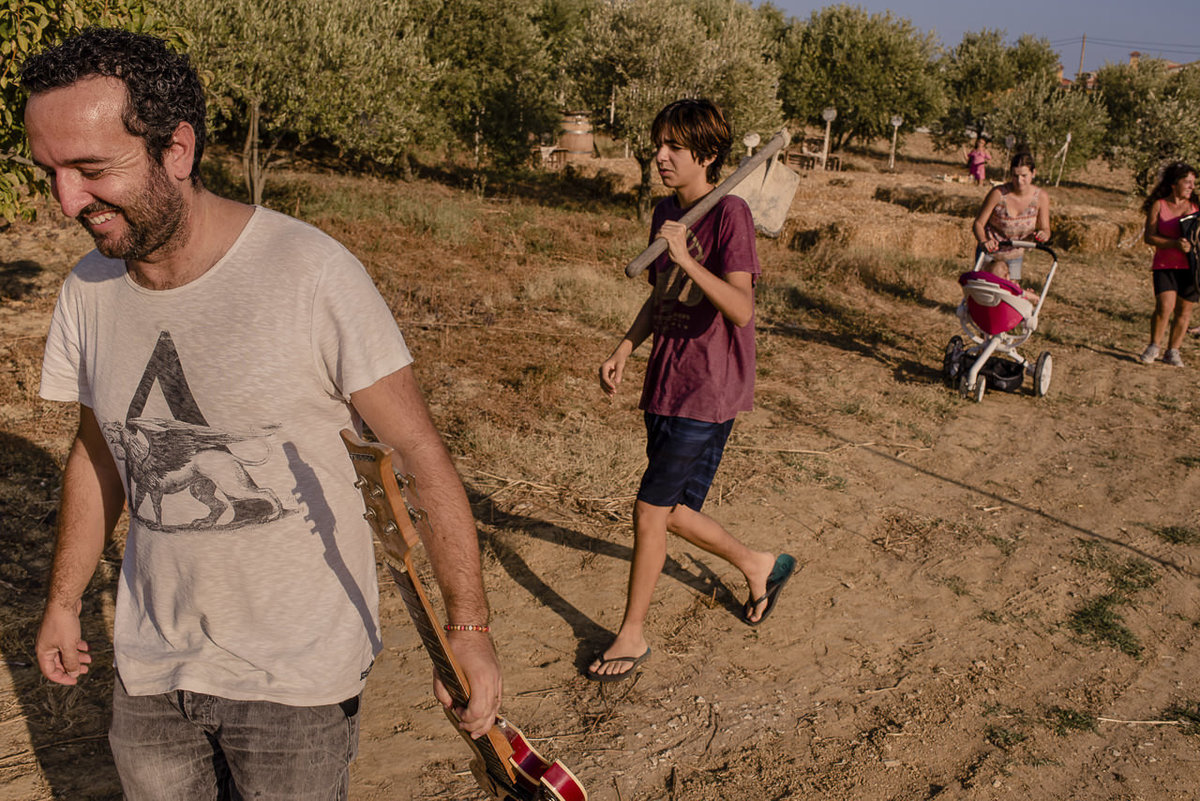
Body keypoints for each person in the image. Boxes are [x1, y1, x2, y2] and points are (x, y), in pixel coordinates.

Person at [24, 29, 500, 799]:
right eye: (50, 172)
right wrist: (64, 600)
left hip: (297, 681)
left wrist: (469, 629)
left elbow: (417, 453)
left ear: (177, 148)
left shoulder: (309, 274)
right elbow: (99, 453)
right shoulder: (88, 290)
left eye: (90, 169)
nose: (67, 201)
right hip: (151, 669)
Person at [590, 98, 795, 683]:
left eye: (674, 147)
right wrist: (625, 348)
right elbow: (662, 297)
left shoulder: (730, 214)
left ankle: (631, 635)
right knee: (674, 512)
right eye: (659, 144)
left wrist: (686, 254)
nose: (660, 156)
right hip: (666, 381)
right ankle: (759, 565)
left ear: (706, 154)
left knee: (650, 510)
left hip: (711, 388)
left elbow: (740, 306)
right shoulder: (664, 212)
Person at [1138, 161, 1199, 366]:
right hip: (1165, 265)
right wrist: (1173, 243)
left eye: (1193, 183)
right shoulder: (1159, 205)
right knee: (1164, 307)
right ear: (1174, 184)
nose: (1192, 186)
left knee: (1184, 311)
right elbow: (1149, 237)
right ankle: (1154, 346)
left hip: (1191, 268)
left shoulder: (1196, 208)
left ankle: (1173, 351)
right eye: (1187, 182)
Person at [971, 150, 1052, 284]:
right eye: (1015, 176)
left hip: (1015, 254)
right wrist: (984, 241)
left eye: (1024, 175)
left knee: (1010, 291)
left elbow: (1046, 228)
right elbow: (978, 224)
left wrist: (1044, 234)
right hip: (991, 252)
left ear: (1033, 173)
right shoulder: (998, 194)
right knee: (985, 290)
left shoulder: (1041, 197)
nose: (1020, 181)